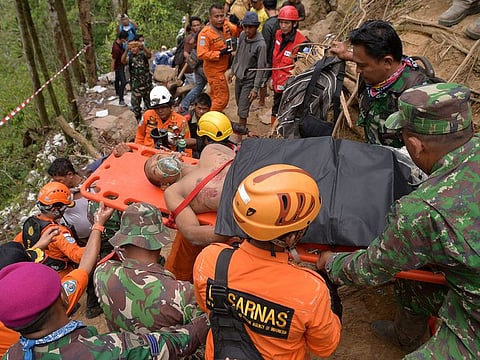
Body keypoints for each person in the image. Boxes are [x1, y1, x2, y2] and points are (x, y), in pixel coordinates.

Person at [316, 83, 480, 358]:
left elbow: (372, 268)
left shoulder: (424, 210)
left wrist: (331, 263)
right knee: (413, 281)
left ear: (415, 145)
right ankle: (405, 334)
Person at [193, 164, 341, 359]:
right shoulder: (310, 291)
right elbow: (325, 347)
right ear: (289, 239)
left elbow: (206, 306)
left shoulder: (210, 260)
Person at [0, 262, 209, 360]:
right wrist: (204, 322)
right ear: (63, 298)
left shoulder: (11, 355)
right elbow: (169, 346)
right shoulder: (109, 350)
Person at [0, 203, 114, 358]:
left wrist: (38, 246)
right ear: (62, 299)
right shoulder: (50, 299)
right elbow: (84, 264)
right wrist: (98, 226)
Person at [94, 202, 203, 334]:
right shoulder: (182, 293)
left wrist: (97, 225)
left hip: (123, 350)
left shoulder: (102, 273)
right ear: (159, 242)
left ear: (123, 240)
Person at [329, 20, 431, 148]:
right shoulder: (375, 78)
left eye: (362, 65)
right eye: (356, 63)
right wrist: (346, 54)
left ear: (387, 62)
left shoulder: (417, 97)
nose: (357, 70)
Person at [162, 111, 238, 282]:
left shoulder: (210, 151)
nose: (162, 160)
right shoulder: (174, 192)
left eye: (160, 156)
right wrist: (234, 230)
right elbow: (191, 233)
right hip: (253, 203)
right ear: (161, 182)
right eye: (155, 166)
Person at [47, 157, 105, 319]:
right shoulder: (60, 194)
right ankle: (93, 305)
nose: (57, 183)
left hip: (103, 233)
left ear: (70, 175)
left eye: (59, 180)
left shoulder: (92, 183)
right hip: (80, 240)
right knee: (89, 269)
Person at [13, 182, 84, 279]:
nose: (65, 210)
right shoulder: (56, 232)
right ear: (55, 209)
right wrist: (95, 242)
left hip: (41, 274)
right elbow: (78, 256)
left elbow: (15, 247)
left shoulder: (30, 225)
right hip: (63, 276)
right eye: (65, 207)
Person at [230, 11, 266, 142]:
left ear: (256, 27)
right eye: (245, 26)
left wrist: (255, 88)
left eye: (250, 27)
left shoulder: (261, 44)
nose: (247, 30)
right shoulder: (242, 36)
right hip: (239, 76)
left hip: (249, 80)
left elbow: (261, 67)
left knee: (243, 109)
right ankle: (242, 127)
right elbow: (238, 54)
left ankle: (240, 136)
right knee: (240, 104)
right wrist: (233, 71)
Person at [197, 4, 240, 112]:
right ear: (210, 17)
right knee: (222, 99)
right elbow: (201, 54)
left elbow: (236, 32)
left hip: (223, 68)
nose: (220, 19)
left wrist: (239, 24)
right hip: (213, 70)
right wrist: (219, 53)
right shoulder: (205, 34)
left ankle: (208, 116)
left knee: (214, 96)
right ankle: (209, 117)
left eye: (222, 16)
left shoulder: (226, 25)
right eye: (217, 16)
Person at [270, 5, 307, 125]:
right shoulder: (278, 35)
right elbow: (275, 59)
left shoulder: (302, 43)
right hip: (277, 82)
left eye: (286, 23)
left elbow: (302, 68)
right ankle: (272, 133)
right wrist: (272, 78)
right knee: (275, 109)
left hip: (289, 87)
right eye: (281, 22)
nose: (283, 26)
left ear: (294, 24)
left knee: (286, 113)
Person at [134, 85, 191, 155]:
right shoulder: (147, 115)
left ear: (170, 106)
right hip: (146, 156)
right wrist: (137, 154)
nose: (160, 111)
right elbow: (139, 137)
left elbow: (187, 147)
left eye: (163, 107)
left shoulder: (181, 121)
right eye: (156, 108)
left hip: (168, 159)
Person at [122, 34, 153, 122]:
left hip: (147, 85)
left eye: (135, 47)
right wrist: (126, 50)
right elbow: (123, 61)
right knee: (136, 107)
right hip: (136, 87)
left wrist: (143, 47)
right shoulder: (130, 57)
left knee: (149, 106)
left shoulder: (143, 55)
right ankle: (137, 120)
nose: (133, 49)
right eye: (132, 48)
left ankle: (149, 121)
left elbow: (149, 55)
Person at [179, 18, 207, 113]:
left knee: (198, 87)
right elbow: (186, 53)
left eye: (198, 25)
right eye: (194, 25)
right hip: (200, 66)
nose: (196, 27)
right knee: (211, 86)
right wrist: (192, 61)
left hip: (196, 65)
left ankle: (184, 105)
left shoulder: (200, 35)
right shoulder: (197, 36)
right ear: (191, 27)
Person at [258, 0, 279, 110]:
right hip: (280, 57)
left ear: (265, 8)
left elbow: (265, 44)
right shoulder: (282, 21)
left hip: (270, 57)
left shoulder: (268, 25)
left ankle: (261, 102)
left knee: (263, 79)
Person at [183, 93, 212, 158]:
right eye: (199, 108)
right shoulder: (185, 118)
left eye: (204, 109)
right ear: (195, 106)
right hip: (188, 148)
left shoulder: (213, 118)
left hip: (206, 148)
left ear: (209, 109)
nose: (201, 111)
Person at [111, 30, 128, 106]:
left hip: (121, 65)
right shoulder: (116, 49)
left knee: (117, 80)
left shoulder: (119, 44)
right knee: (123, 81)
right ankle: (121, 99)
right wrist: (112, 71)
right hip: (118, 67)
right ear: (122, 39)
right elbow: (113, 60)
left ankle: (118, 92)